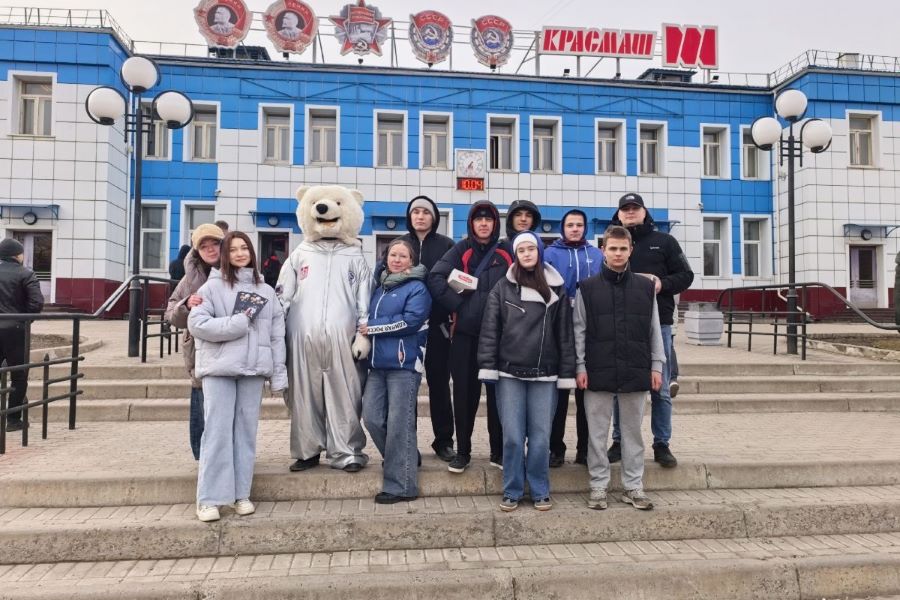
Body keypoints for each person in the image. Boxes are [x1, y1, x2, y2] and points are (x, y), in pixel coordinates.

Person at [188, 231, 287, 522]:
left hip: (253, 371)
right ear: (225, 255)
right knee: (217, 431)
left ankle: (240, 494)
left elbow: (277, 335)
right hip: (219, 370)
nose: (240, 254)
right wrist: (238, 323)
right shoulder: (210, 288)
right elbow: (198, 325)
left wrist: (278, 374)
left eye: (244, 248)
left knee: (245, 434)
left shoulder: (266, 291)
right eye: (233, 250)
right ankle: (209, 498)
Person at [478, 232, 575, 512]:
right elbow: (490, 330)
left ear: (540, 252)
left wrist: (566, 372)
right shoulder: (503, 287)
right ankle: (512, 490)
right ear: (516, 255)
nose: (527, 254)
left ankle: (540, 489)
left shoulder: (557, 288)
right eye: (522, 250)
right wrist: (488, 367)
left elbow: (565, 335)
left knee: (541, 438)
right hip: (510, 374)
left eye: (532, 249)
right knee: (512, 436)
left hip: (545, 374)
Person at [575, 225, 664, 512]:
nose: (617, 253)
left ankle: (633, 486)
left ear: (630, 251)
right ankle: (598, 485)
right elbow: (579, 330)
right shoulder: (587, 288)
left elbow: (654, 329)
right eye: (612, 248)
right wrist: (580, 366)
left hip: (635, 368)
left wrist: (657, 365)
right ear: (603, 250)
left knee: (632, 433)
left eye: (623, 248)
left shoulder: (645, 287)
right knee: (597, 434)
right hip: (597, 369)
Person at [608, 193, 693, 469]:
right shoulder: (613, 243)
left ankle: (661, 444)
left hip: (659, 323)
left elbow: (686, 275)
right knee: (620, 385)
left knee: (661, 388)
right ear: (619, 214)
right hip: (621, 324)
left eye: (635, 208)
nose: (630, 212)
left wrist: (661, 284)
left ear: (645, 212)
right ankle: (619, 441)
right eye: (625, 209)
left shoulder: (664, 242)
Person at [428, 201, 512, 474]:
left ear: (495, 223)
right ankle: (463, 452)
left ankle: (498, 452)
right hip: (465, 336)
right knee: (464, 396)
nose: (484, 224)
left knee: (498, 397)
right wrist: (459, 305)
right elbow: (436, 277)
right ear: (471, 223)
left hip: (500, 337)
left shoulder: (506, 251)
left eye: (489, 219)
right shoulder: (460, 249)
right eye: (478, 219)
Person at [377, 196, 455, 461]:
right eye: (416, 212)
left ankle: (443, 440)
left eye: (426, 212)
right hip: (404, 330)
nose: (420, 216)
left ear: (434, 217)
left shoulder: (447, 245)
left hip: (437, 327)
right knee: (405, 388)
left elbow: (455, 282)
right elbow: (382, 278)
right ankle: (407, 442)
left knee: (439, 384)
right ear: (409, 216)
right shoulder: (399, 244)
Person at [361, 239, 432, 504]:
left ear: (411, 261)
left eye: (403, 256)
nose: (397, 259)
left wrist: (374, 326)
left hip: (404, 364)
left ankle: (401, 486)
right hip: (377, 365)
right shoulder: (379, 287)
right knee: (371, 417)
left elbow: (410, 321)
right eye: (393, 255)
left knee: (399, 425)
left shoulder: (417, 288)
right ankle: (407, 458)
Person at [543, 209, 603, 467]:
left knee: (585, 393)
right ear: (563, 228)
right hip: (558, 328)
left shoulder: (596, 254)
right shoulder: (550, 254)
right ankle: (555, 448)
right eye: (570, 225)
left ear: (585, 228)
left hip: (590, 330)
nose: (575, 228)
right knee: (558, 394)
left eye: (579, 225)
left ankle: (584, 449)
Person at [165, 224, 225, 460]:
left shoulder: (239, 270)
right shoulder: (190, 279)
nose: (210, 250)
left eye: (215, 244)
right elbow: (171, 314)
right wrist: (186, 305)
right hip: (199, 353)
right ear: (197, 250)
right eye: (204, 246)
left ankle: (228, 455)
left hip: (231, 350)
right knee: (201, 406)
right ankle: (203, 457)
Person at [0, 238, 44, 432]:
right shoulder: (26, 273)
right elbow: (36, 303)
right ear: (17, 255)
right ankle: (13, 420)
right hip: (16, 331)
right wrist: (24, 320)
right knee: (18, 375)